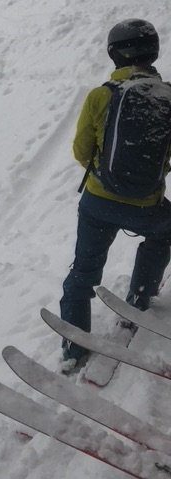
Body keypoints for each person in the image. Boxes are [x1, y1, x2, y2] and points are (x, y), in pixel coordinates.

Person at [59, 19, 171, 370]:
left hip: (97, 203)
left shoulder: (101, 95)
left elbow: (81, 151)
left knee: (84, 270)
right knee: (163, 236)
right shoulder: (169, 99)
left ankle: (74, 349)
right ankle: (138, 300)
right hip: (147, 207)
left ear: (115, 54)